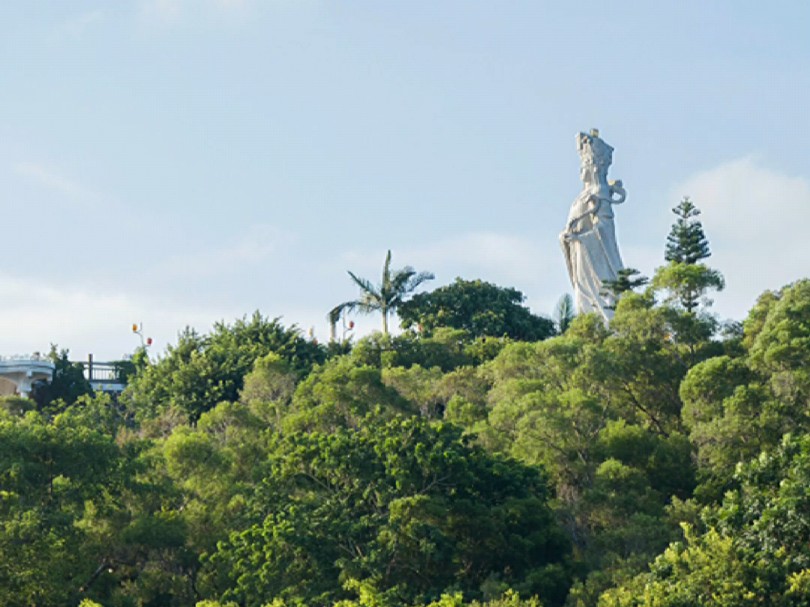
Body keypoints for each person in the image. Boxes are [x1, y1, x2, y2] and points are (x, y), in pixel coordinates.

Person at [560, 129, 626, 322]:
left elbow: (606, 229)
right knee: (584, 300)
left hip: (597, 258)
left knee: (602, 300)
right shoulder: (581, 196)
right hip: (581, 256)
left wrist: (581, 238)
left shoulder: (599, 191)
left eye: (586, 164)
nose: (582, 169)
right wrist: (565, 238)